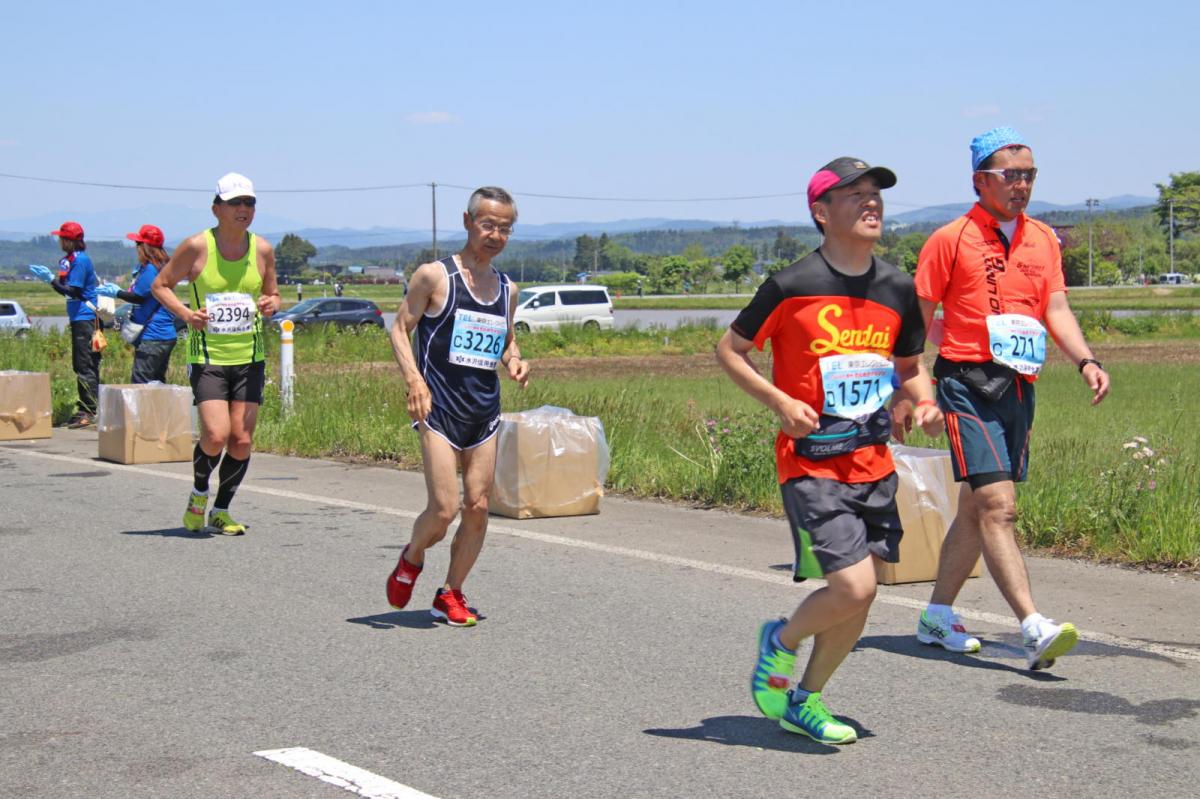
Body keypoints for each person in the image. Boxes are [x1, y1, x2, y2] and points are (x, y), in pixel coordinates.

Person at [717, 158, 942, 744]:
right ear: (822, 213)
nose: (872, 203)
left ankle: (806, 700)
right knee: (855, 587)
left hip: (873, 462)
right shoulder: (792, 284)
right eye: (856, 196)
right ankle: (781, 642)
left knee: (858, 601)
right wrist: (779, 403)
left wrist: (923, 402)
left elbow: (909, 369)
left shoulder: (897, 287)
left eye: (876, 195)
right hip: (812, 461)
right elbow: (730, 350)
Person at [895, 127, 1110, 670]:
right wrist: (911, 387)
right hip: (965, 384)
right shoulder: (950, 239)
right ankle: (1033, 626)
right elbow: (914, 325)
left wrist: (1086, 360)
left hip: (1018, 386)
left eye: (1029, 175)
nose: (1022, 185)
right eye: (1010, 175)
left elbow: (1055, 308)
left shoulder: (1042, 238)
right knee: (998, 506)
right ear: (980, 180)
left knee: (974, 507)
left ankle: (936, 615)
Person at [385, 186, 530, 626]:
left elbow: (505, 339)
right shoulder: (435, 276)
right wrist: (414, 380)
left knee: (479, 505)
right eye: (487, 224)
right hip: (440, 411)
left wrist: (516, 360)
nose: (495, 235)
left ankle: (451, 593)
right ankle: (411, 557)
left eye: (504, 228)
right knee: (445, 510)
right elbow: (399, 328)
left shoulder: (507, 288)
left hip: (484, 412)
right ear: (467, 222)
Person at [151, 173, 281, 535]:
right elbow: (160, 285)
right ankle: (198, 495)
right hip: (208, 356)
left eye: (250, 203)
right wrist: (187, 315)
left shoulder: (263, 249)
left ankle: (221, 510)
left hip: (249, 356)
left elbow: (273, 294)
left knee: (241, 439)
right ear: (217, 208)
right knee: (214, 434)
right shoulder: (196, 247)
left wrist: (271, 303)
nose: (244, 209)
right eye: (235, 203)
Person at [35, 222, 102, 428]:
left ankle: (88, 410)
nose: (59, 242)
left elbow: (73, 291)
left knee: (85, 365)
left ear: (69, 241)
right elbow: (66, 290)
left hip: (85, 318)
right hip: (78, 318)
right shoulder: (71, 261)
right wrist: (54, 282)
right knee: (80, 364)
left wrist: (51, 280)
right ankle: (85, 406)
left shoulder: (80, 261)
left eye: (61, 238)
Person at [97, 224, 179, 384]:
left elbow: (139, 297)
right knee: (157, 382)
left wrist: (117, 292)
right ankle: (159, 409)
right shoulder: (163, 267)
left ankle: (144, 411)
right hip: (166, 334)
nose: (136, 248)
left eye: (138, 244)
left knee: (141, 383)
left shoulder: (150, 270)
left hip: (153, 335)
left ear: (145, 247)